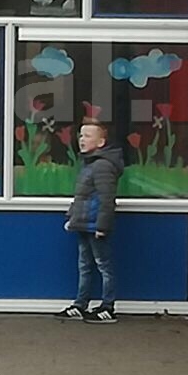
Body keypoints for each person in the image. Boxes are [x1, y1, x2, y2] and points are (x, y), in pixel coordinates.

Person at [54, 120, 123, 324]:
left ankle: (108, 307)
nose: (82, 140)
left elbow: (106, 198)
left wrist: (103, 226)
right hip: (84, 223)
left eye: (88, 136)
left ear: (101, 142)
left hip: (95, 226)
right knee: (84, 265)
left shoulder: (102, 165)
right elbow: (82, 196)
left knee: (103, 266)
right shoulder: (89, 163)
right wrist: (72, 217)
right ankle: (80, 304)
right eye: (81, 135)